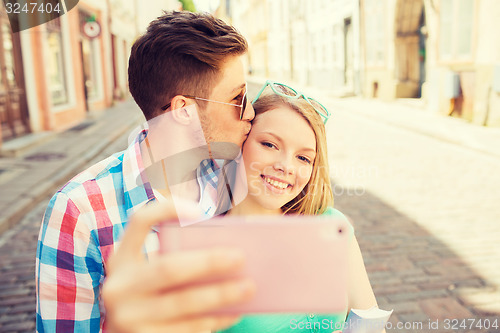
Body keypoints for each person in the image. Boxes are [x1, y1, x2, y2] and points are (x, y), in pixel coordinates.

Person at [36, 11, 258, 333]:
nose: (250, 111)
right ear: (184, 111)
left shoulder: (236, 174)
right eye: (238, 98)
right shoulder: (79, 212)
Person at [215, 81, 379, 332]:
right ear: (241, 143)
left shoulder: (332, 226)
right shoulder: (205, 244)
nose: (286, 166)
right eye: (269, 144)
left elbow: (372, 325)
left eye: (303, 157)